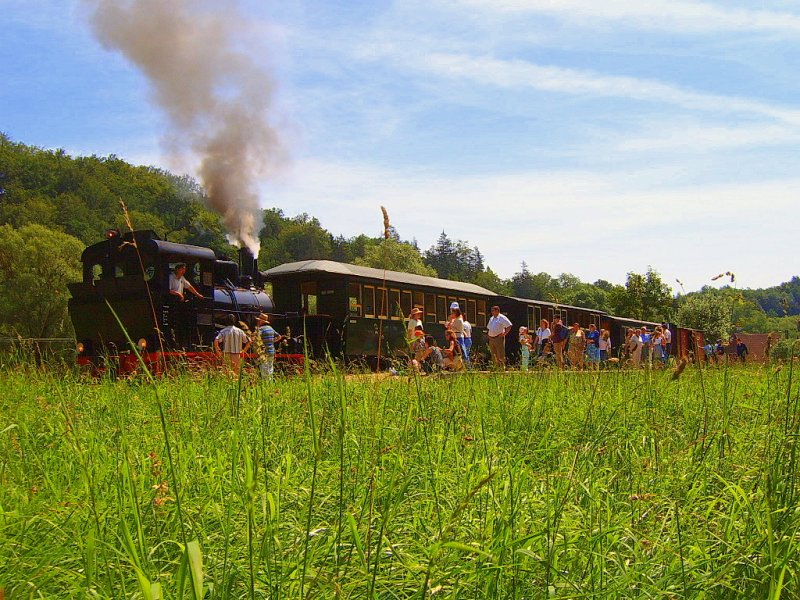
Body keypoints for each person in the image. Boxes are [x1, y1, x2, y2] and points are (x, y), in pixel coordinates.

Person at [254, 313, 283, 380]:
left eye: (258, 320)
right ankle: (270, 382)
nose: (257, 321)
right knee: (270, 367)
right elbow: (279, 336)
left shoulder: (261, 329)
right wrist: (272, 341)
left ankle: (265, 383)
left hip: (264, 352)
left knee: (264, 368)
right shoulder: (271, 328)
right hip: (272, 351)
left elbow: (256, 338)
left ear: (261, 321)